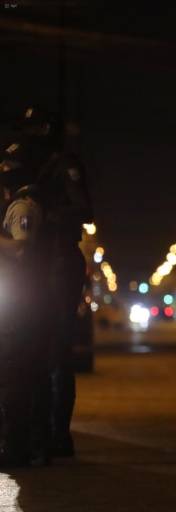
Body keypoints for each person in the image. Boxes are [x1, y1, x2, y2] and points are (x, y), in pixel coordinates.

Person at [17, 106, 93, 457]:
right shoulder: (15, 163)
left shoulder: (64, 165)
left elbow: (84, 208)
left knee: (55, 349)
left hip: (58, 260)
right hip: (23, 261)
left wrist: (47, 214)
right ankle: (22, 430)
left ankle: (57, 434)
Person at [0, 140, 50, 466]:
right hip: (22, 300)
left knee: (15, 376)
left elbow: (20, 250)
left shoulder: (22, 208)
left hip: (19, 303)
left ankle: (18, 448)